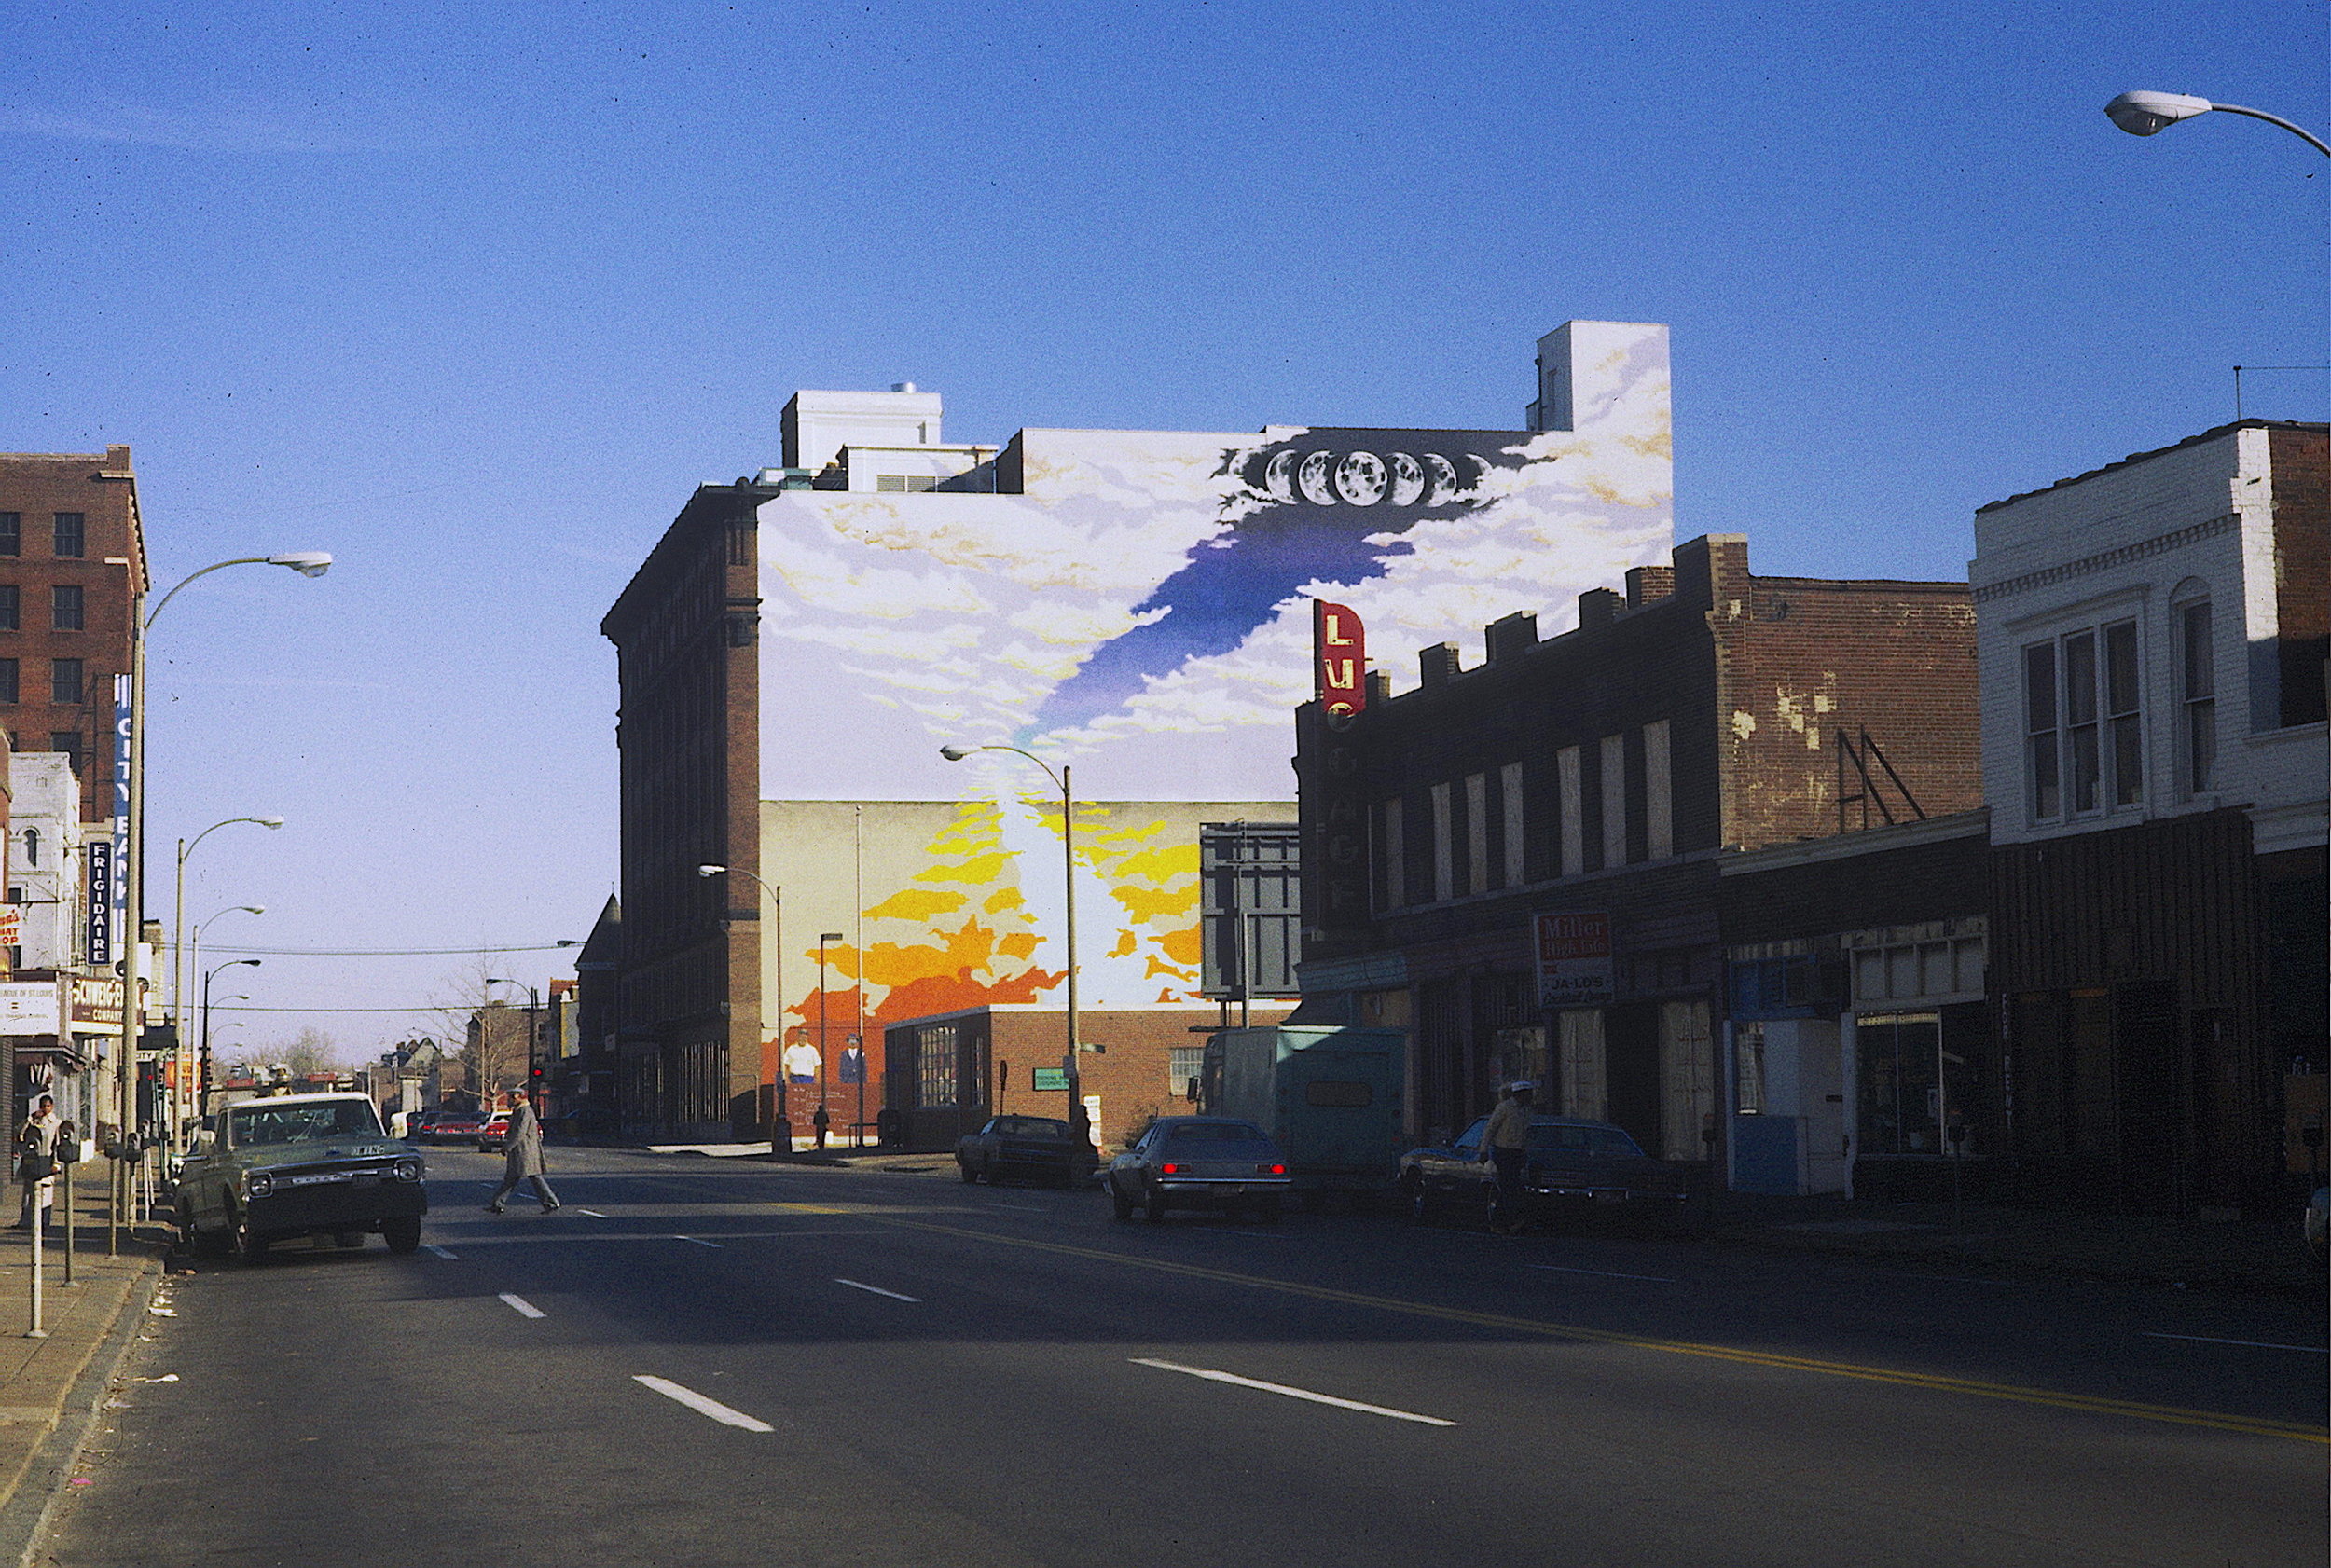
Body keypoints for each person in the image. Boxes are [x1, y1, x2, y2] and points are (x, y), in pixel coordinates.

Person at [483, 1092, 560, 1215]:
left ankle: (552, 1202)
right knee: (512, 1178)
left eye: (512, 1097)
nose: (510, 1100)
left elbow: (520, 1132)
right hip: (519, 1150)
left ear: (519, 1097)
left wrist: (507, 1147)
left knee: (533, 1176)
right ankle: (497, 1203)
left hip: (524, 1150)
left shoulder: (525, 1111)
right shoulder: (518, 1110)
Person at [1477, 1080, 1536, 1234]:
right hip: (1503, 1152)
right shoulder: (1504, 1108)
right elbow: (1490, 1129)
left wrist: (1526, 1152)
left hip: (1518, 1153)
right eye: (1528, 1093)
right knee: (1510, 1186)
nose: (1531, 1097)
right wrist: (1483, 1150)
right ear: (1520, 1094)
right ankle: (1515, 1220)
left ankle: (1498, 1223)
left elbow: (1527, 1134)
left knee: (1510, 1188)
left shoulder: (1526, 1111)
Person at [15, 1093, 60, 1231]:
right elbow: (21, 1134)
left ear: (51, 1107)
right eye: (43, 1106)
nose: (45, 1109)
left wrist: (56, 1164)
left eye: (48, 1106)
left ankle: (44, 1221)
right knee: (28, 1192)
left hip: (47, 1159)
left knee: (45, 1192)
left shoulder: (56, 1123)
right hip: (32, 1159)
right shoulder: (34, 1121)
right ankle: (25, 1220)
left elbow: (57, 1145)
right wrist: (30, 1119)